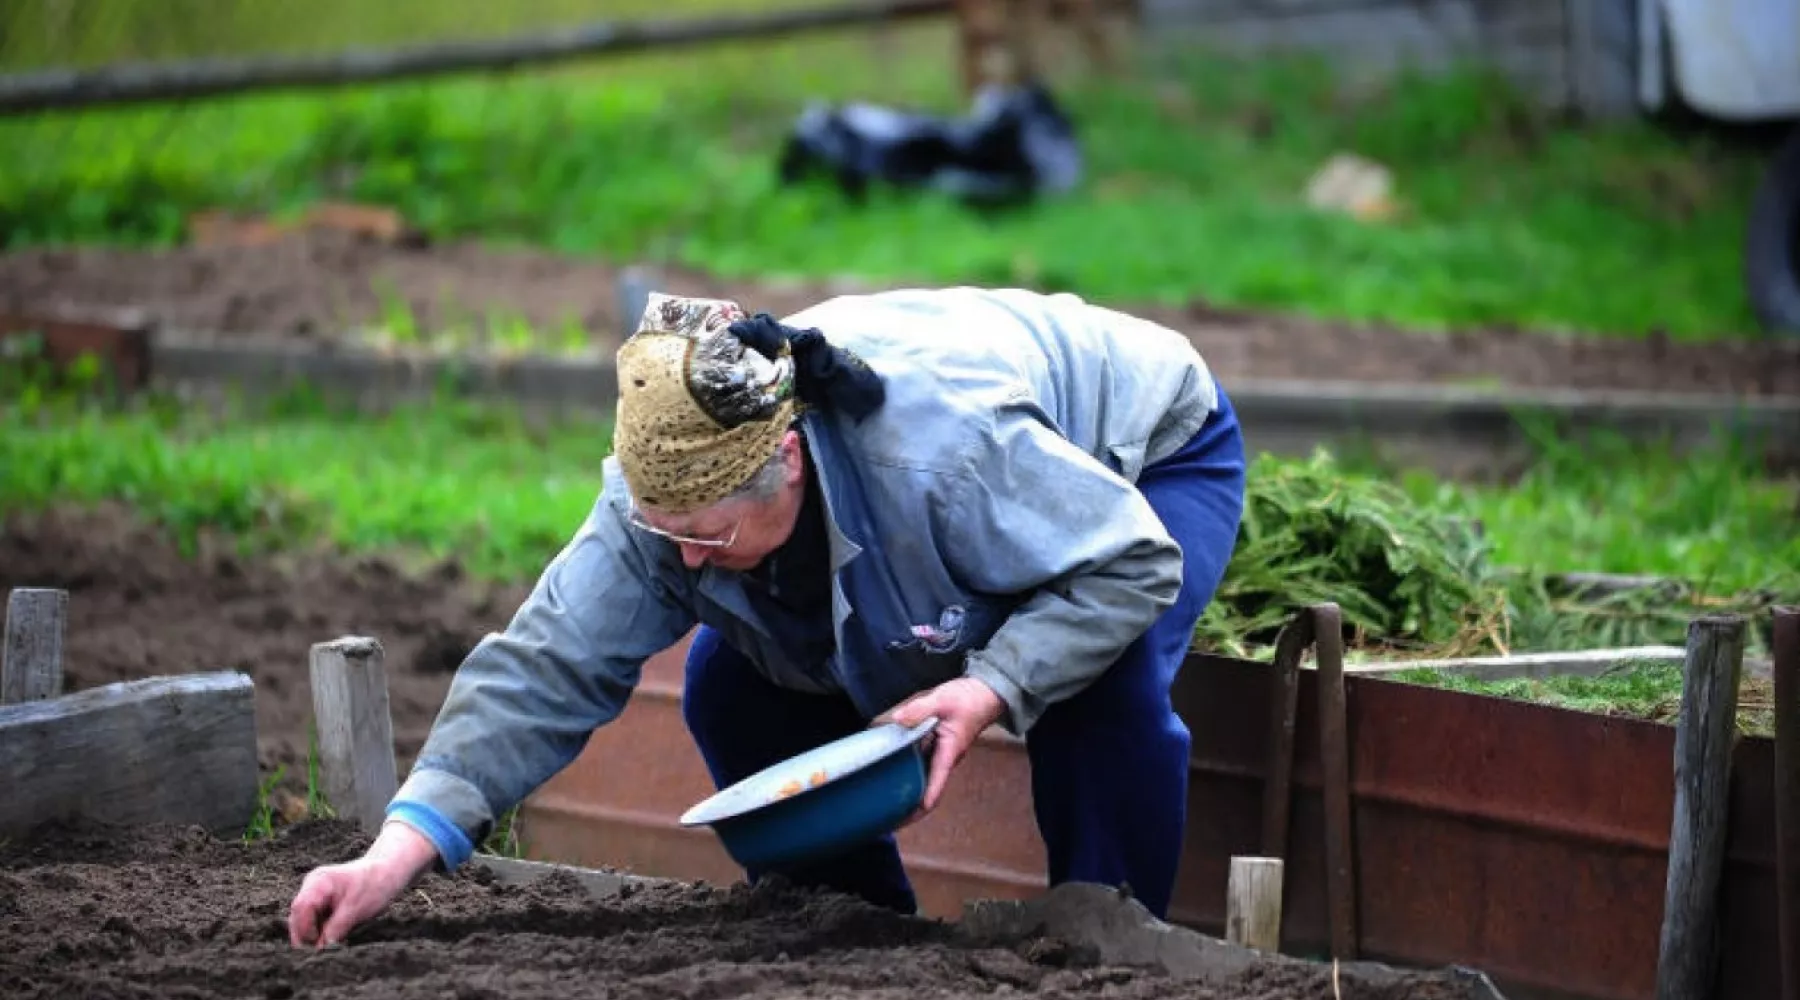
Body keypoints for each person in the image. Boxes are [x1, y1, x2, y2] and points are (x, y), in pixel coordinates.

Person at [287, 286, 1247, 949]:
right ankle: (862, 933)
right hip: (963, 475)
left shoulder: (941, 459)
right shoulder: (660, 512)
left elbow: (1127, 561)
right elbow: (544, 665)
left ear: (788, 459)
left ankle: (1102, 952)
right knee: (728, 685)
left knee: (1096, 684)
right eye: (670, 538)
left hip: (1144, 447)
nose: (688, 560)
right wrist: (394, 852)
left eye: (710, 534)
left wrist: (992, 684)